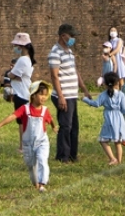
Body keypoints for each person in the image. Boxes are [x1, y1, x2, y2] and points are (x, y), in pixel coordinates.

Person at [0, 80, 54, 191]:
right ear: (33, 95)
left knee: (43, 160)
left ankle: (43, 183)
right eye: (41, 94)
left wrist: (54, 127)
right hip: (28, 143)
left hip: (42, 142)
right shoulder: (25, 109)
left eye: (45, 95)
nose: (44, 98)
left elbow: (50, 119)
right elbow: (12, 116)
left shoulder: (45, 110)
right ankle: (36, 183)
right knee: (31, 165)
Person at [48, 23, 90, 163]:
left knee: (74, 126)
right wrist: (61, 96)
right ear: (63, 36)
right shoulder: (55, 52)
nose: (73, 39)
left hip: (72, 94)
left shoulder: (69, 51)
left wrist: (83, 88)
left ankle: (73, 154)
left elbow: (74, 71)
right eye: (71, 36)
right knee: (66, 126)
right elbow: (54, 76)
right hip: (64, 95)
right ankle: (63, 155)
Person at [82, 71, 125, 165]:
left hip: (109, 119)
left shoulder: (103, 95)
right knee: (118, 141)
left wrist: (85, 99)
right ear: (117, 83)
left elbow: (96, 104)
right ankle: (119, 161)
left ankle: (112, 158)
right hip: (119, 119)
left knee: (103, 140)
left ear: (105, 84)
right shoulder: (121, 94)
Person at [6, 33, 34, 139]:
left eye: (16, 45)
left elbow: (12, 74)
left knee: (21, 121)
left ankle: (23, 146)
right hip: (27, 91)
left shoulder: (22, 60)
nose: (15, 48)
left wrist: (9, 74)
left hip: (20, 93)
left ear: (21, 46)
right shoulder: (29, 59)